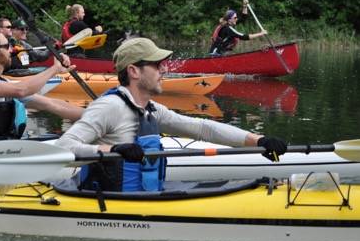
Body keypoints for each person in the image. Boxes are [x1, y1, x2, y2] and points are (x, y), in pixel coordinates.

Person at [56, 37, 288, 192]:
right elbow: (64, 147)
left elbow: (202, 128)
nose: (164, 70)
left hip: (142, 197)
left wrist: (257, 141)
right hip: (108, 204)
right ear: (134, 71)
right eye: (157, 65)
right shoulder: (109, 107)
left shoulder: (151, 110)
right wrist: (110, 149)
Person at [0, 28, 83, 149]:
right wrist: (55, 69)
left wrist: (96, 116)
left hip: (0, 145)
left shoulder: (4, 83)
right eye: (7, 46)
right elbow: (22, 90)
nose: (12, 50)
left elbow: (51, 104)